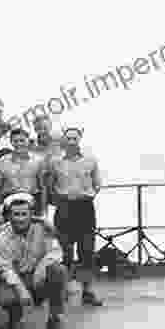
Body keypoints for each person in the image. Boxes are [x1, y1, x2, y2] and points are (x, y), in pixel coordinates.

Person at [0, 192, 70, 329]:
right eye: (16, 214)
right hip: (18, 279)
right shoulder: (2, 238)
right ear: (9, 216)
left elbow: (56, 252)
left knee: (58, 271)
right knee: (4, 297)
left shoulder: (43, 229)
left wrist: (42, 267)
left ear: (31, 215)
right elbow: (6, 269)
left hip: (39, 277)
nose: (20, 218)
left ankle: (55, 318)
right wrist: (21, 290)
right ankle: (14, 313)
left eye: (24, 214)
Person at [47, 127, 103, 306]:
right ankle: (63, 289)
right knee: (65, 251)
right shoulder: (56, 162)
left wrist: (89, 195)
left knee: (86, 250)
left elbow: (97, 183)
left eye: (74, 138)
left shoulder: (90, 160)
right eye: (68, 139)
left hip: (85, 208)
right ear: (63, 141)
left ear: (80, 139)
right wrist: (58, 200)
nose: (71, 142)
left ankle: (87, 290)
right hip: (64, 208)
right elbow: (50, 184)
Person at [0, 128, 47, 224]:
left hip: (32, 204)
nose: (19, 144)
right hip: (10, 205)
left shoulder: (38, 160)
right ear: (11, 142)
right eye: (15, 141)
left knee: (33, 236)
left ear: (28, 141)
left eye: (22, 140)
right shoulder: (2, 161)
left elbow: (43, 187)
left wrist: (43, 211)